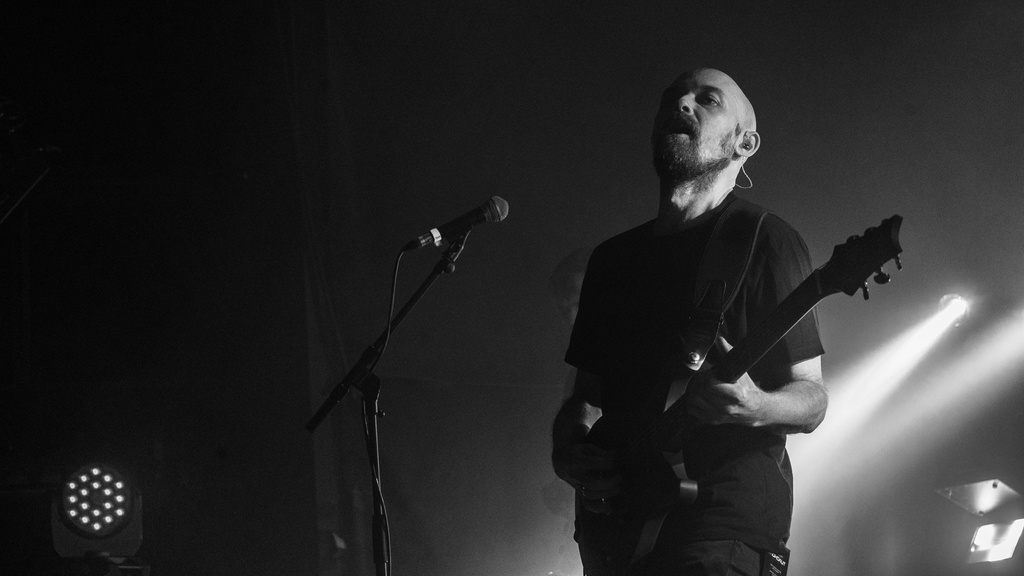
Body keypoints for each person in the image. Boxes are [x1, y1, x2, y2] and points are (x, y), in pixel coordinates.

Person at [550, 68, 827, 576]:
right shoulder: (612, 261)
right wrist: (567, 449)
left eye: (708, 100)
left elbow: (812, 399)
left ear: (745, 143)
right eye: (672, 97)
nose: (683, 104)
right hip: (617, 530)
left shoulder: (765, 240)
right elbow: (585, 397)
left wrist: (756, 405)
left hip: (719, 531)